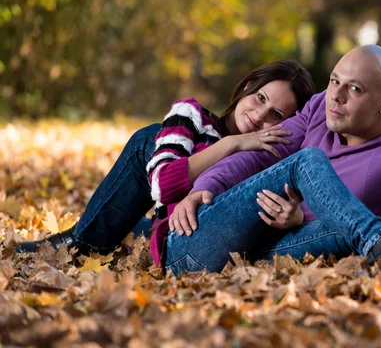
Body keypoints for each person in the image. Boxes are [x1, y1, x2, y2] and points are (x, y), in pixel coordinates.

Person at [162, 45, 381, 275]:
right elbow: (262, 151)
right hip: (195, 239)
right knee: (310, 164)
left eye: (353, 89)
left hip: (258, 251)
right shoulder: (322, 106)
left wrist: (298, 218)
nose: (334, 96)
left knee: (349, 231)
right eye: (334, 81)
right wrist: (203, 186)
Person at [16, 60, 317, 259]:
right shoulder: (192, 116)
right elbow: (161, 186)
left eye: (276, 115)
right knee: (150, 138)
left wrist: (297, 217)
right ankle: (82, 241)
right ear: (247, 87)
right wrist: (232, 144)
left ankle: (104, 235)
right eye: (260, 98)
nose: (259, 115)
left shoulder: (272, 159)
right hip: (165, 218)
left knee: (140, 219)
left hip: (190, 240)